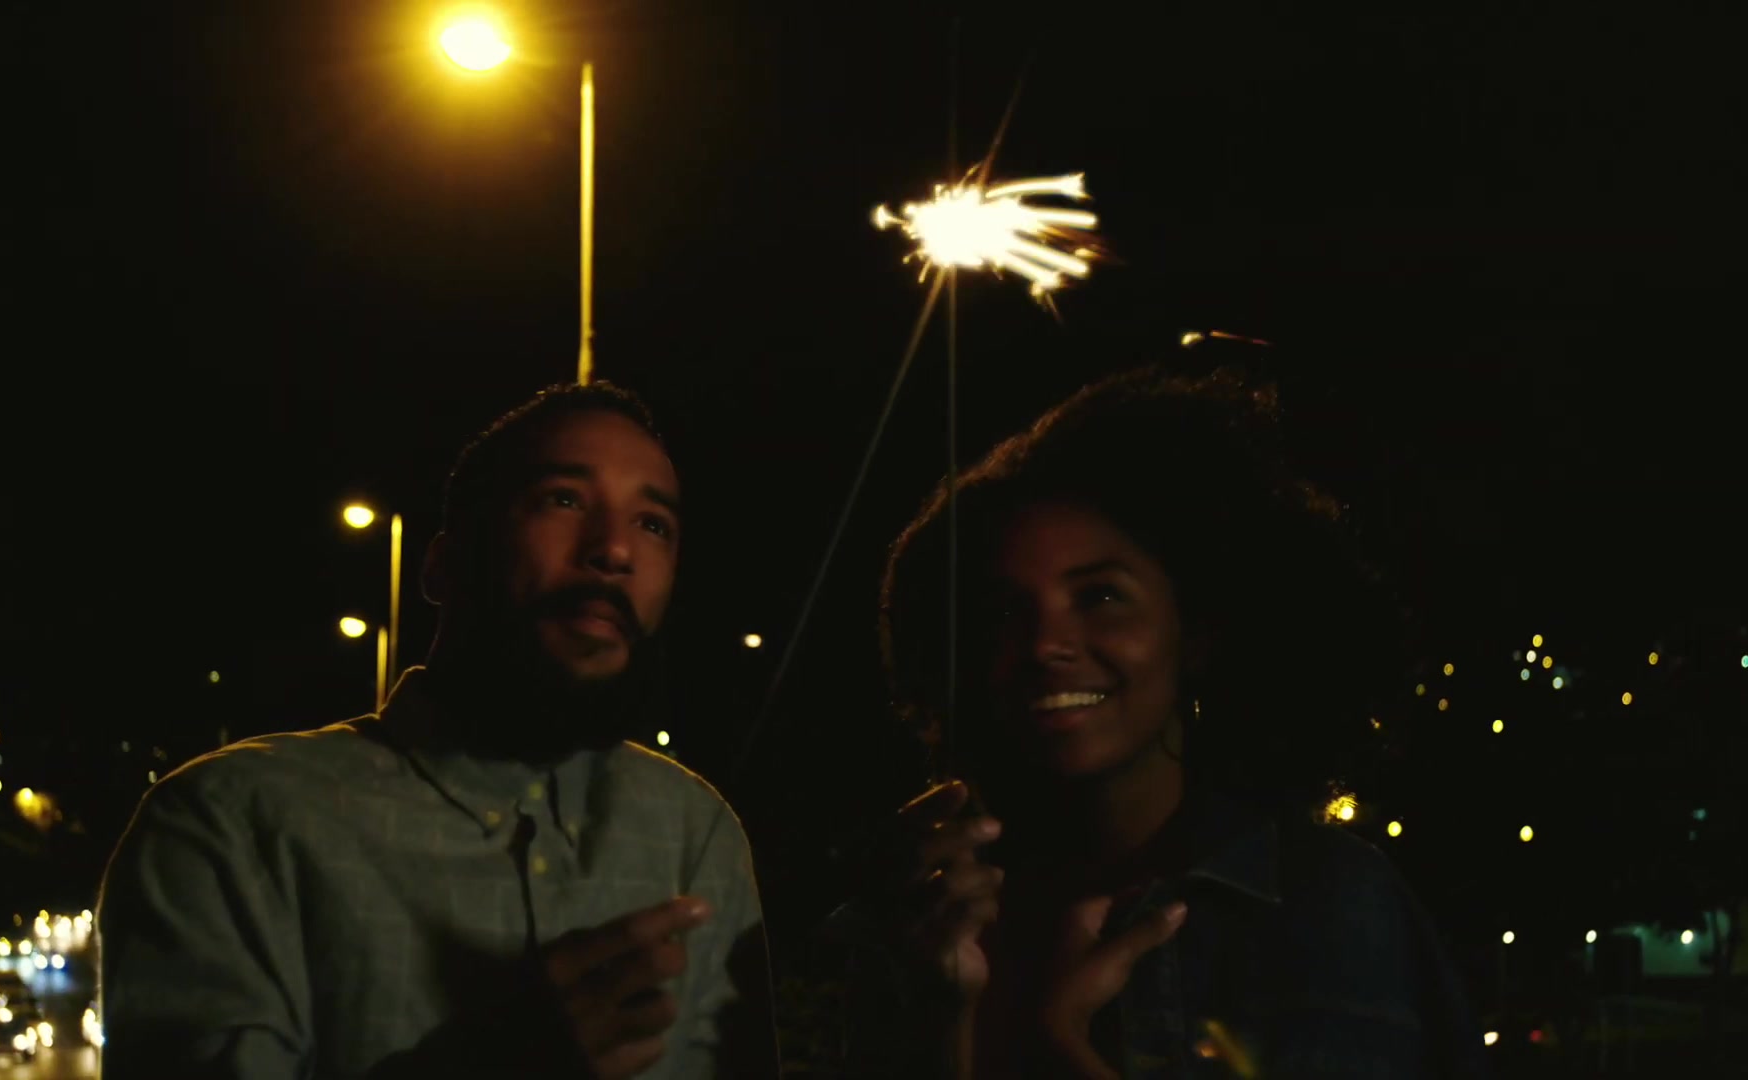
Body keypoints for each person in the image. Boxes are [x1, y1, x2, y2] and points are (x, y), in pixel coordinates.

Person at [98, 381, 778, 1080]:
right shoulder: (234, 824)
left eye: (653, 525)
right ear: (443, 563)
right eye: (564, 499)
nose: (614, 550)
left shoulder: (696, 834)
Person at [841, 365, 1488, 1078]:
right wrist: (938, 1022)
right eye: (1003, 610)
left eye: (1100, 597)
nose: (1045, 643)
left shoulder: (1322, 904)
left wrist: (1058, 1044)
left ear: (1198, 631)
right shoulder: (916, 925)